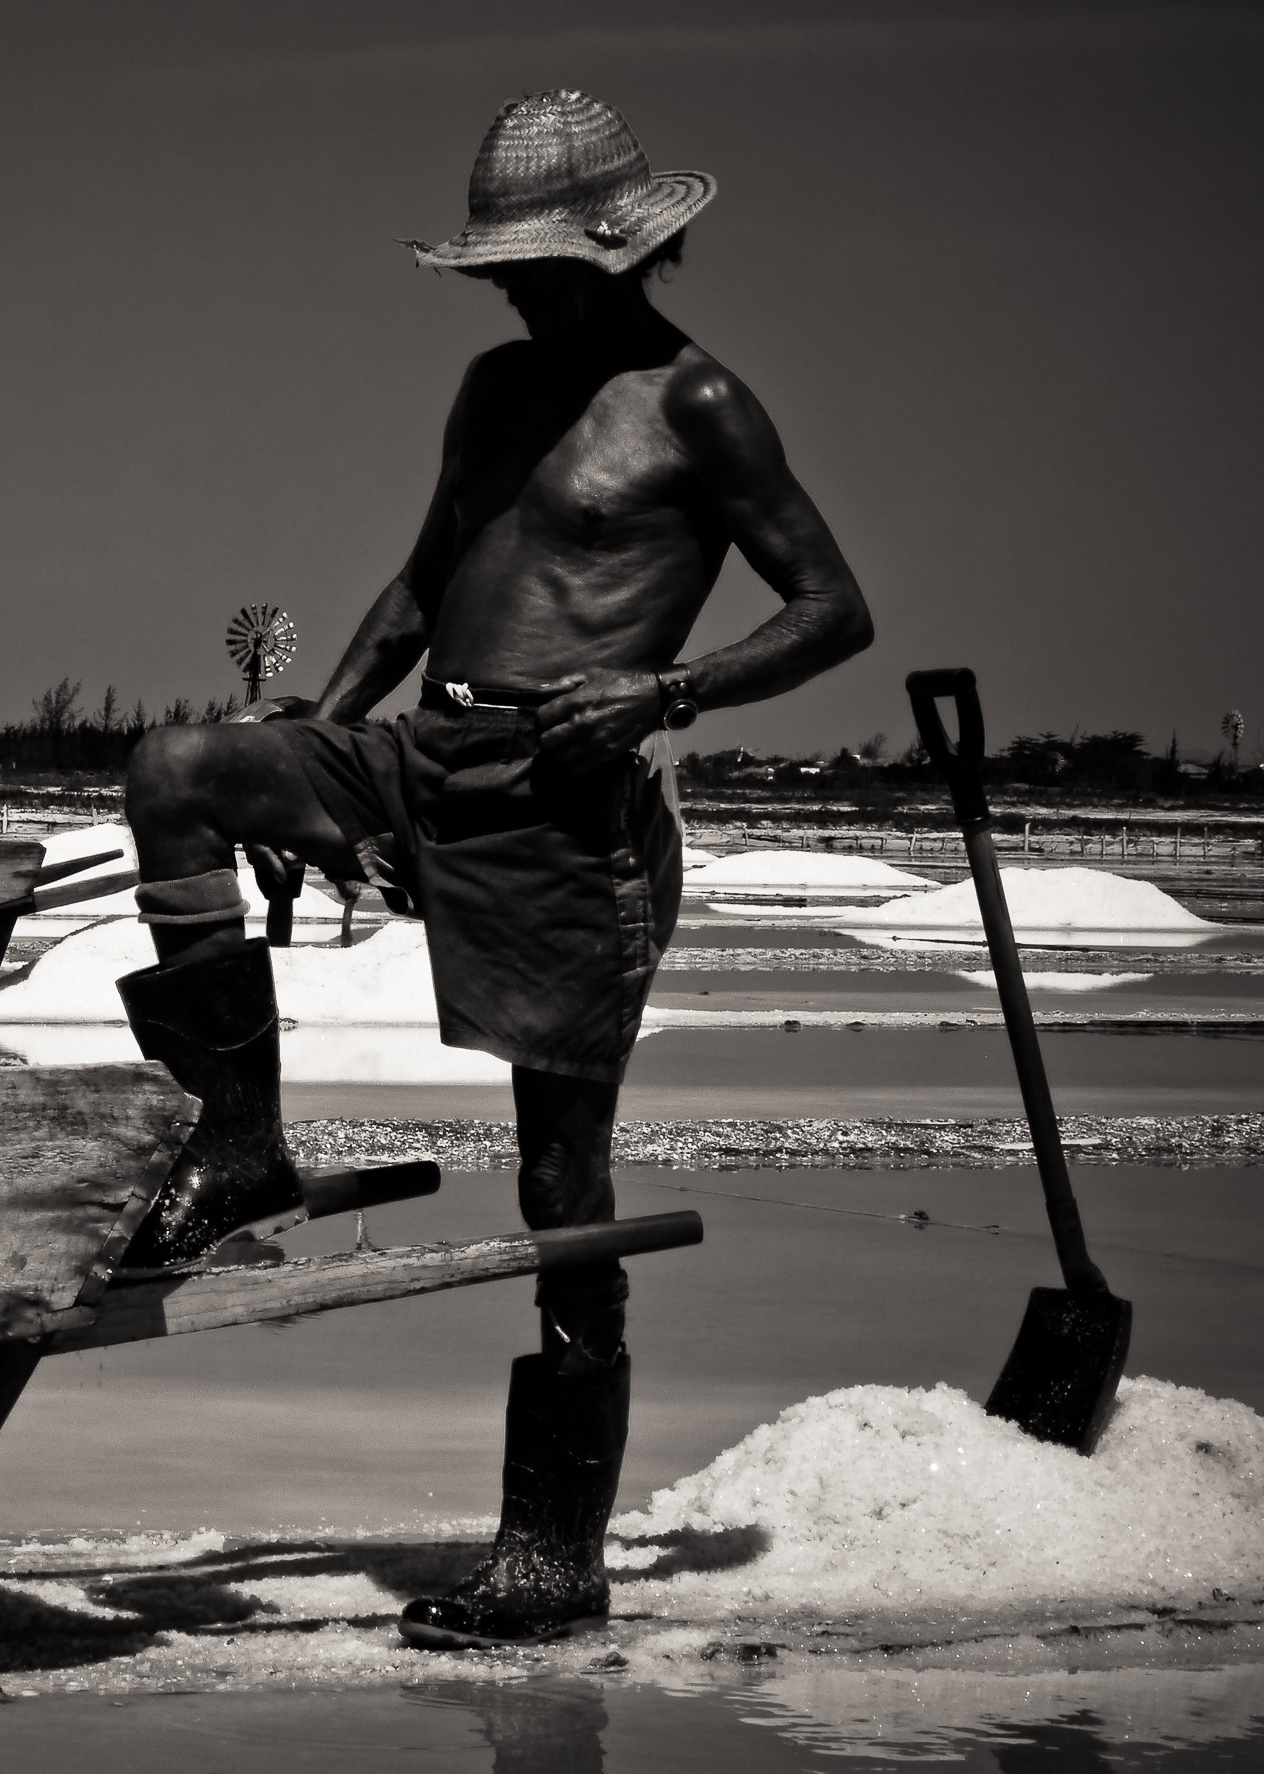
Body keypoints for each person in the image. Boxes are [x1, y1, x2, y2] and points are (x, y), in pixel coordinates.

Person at [111, 90, 873, 1647]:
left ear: (621, 252)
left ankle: (552, 1554)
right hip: (424, 756)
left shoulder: (698, 403)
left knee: (556, 1181)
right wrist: (320, 738)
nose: (513, 293)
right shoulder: (494, 385)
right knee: (178, 768)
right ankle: (234, 1145)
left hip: (564, 809)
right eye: (501, 271)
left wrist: (665, 692)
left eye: (536, 270)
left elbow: (831, 609)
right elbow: (417, 583)